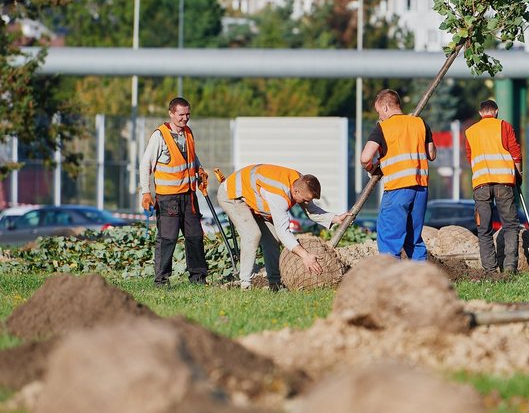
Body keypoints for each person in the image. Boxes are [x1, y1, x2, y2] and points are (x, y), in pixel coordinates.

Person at [217, 163, 347, 290]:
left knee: (273, 238)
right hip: (232, 195)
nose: (307, 203)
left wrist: (335, 218)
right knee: (252, 234)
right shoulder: (278, 195)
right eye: (306, 200)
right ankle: (245, 284)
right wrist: (305, 255)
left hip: (253, 197)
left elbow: (311, 210)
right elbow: (283, 230)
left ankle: (275, 284)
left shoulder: (301, 182)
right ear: (295, 191)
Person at [140, 97, 209, 286]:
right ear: (171, 113)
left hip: (189, 196)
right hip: (168, 198)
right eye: (181, 115)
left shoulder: (188, 133)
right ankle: (161, 280)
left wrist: (200, 170)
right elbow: (145, 164)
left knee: (195, 237)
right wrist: (146, 192)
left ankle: (198, 278)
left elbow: (192, 157)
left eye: (188, 114)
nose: (185, 118)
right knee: (167, 239)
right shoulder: (160, 136)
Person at [360, 89, 436, 260]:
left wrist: (371, 168)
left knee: (389, 238)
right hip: (421, 189)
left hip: (397, 189)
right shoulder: (420, 123)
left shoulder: (383, 127)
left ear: (386, 107)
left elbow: (365, 157)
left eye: (379, 112)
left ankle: (391, 280)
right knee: (414, 238)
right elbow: (431, 154)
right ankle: (421, 280)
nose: (379, 117)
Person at [464, 99, 523, 273]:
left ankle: (490, 270)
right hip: (504, 182)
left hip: (481, 184)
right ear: (496, 111)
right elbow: (516, 153)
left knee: (484, 228)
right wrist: (518, 175)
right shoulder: (504, 126)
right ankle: (510, 267)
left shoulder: (470, 132)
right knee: (511, 225)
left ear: (480, 113)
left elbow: (470, 158)